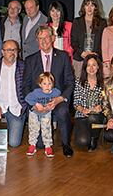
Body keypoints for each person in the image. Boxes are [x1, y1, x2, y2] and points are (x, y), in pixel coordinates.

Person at [23, 26, 76, 157]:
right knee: (40, 145)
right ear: (37, 40)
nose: (44, 41)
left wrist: (60, 99)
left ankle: (65, 144)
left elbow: (70, 81)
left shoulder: (63, 56)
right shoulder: (30, 60)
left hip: (57, 99)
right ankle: (41, 142)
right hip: (38, 102)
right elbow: (25, 86)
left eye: (46, 37)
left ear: (52, 38)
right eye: (40, 38)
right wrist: (34, 104)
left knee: (63, 111)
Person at [72, 55, 106, 152]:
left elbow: (107, 102)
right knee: (82, 141)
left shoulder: (104, 83)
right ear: (85, 67)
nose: (91, 68)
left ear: (98, 67)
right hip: (81, 115)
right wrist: (82, 109)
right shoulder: (78, 82)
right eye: (88, 65)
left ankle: (94, 138)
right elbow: (76, 102)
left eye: (94, 65)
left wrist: (101, 107)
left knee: (93, 117)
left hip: (97, 116)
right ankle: (85, 133)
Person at [24, 72, 61, 157]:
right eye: (44, 84)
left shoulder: (55, 92)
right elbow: (27, 98)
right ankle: (32, 145)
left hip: (46, 113)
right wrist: (36, 104)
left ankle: (48, 146)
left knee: (47, 129)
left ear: (53, 84)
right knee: (33, 129)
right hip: (34, 113)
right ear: (40, 84)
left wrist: (55, 101)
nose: (47, 86)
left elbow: (59, 95)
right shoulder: (36, 92)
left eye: (49, 83)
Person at [70, 0, 106, 76]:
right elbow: (73, 41)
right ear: (83, 7)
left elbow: (103, 42)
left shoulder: (102, 23)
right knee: (79, 84)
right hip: (80, 58)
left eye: (92, 5)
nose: (89, 8)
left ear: (95, 8)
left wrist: (96, 54)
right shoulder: (77, 21)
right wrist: (81, 53)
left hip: (95, 59)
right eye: (87, 5)